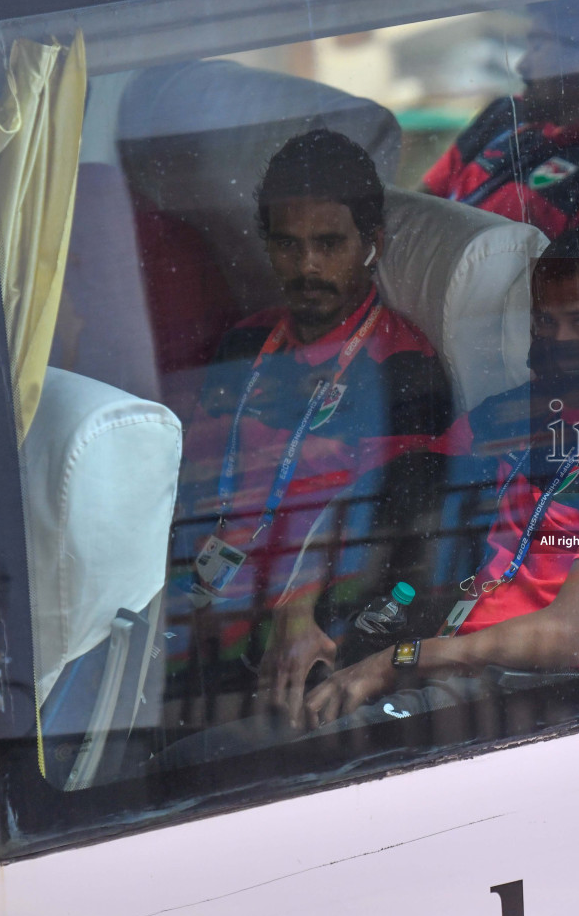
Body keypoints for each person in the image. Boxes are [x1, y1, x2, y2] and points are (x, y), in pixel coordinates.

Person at [162, 226, 579, 759]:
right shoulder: (519, 411)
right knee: (197, 728)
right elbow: (372, 501)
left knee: (207, 767)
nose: (558, 342)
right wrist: (297, 611)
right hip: (433, 646)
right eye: (545, 322)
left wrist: (397, 661)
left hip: (527, 692)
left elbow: (572, 633)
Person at [168, 129, 453, 668]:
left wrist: (304, 618)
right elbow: (192, 485)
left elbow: (394, 540)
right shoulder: (246, 343)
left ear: (373, 244)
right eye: (287, 244)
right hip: (201, 601)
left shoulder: (404, 370)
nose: (307, 268)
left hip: (307, 627)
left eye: (329, 244)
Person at [420, 0, 579, 239]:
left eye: (537, 45)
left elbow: (567, 275)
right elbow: (420, 205)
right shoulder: (505, 112)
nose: (521, 64)